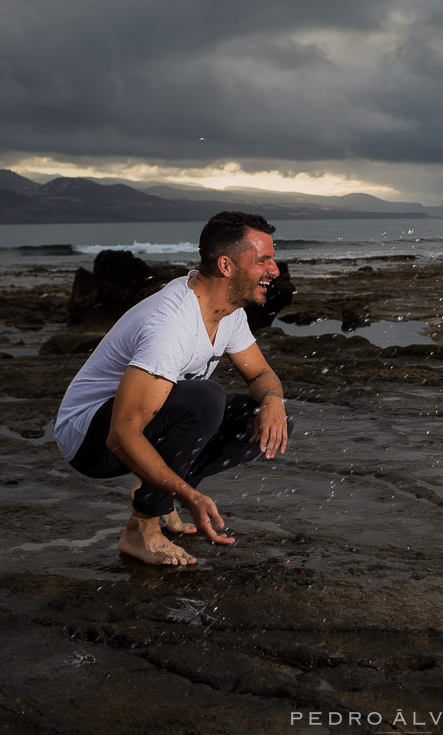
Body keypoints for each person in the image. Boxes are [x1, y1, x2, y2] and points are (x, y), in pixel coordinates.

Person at [55, 211, 291, 565]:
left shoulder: (228, 312)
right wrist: (191, 497)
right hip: (90, 440)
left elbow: (260, 375)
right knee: (204, 398)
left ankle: (154, 494)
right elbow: (121, 434)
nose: (274, 270)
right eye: (263, 260)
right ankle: (141, 528)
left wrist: (273, 401)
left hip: (139, 425)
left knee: (261, 420)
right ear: (226, 266)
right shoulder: (171, 323)